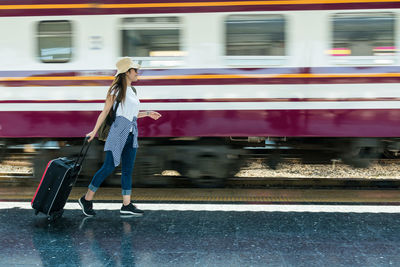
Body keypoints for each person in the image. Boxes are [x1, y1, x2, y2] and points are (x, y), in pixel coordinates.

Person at [79, 57, 161, 217]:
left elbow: (132, 113)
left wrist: (148, 113)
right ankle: (87, 199)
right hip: (118, 131)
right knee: (108, 167)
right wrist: (93, 131)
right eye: (135, 70)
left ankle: (126, 205)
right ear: (127, 72)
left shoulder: (133, 91)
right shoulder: (115, 91)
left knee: (127, 170)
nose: (137, 73)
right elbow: (104, 112)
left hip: (132, 131)